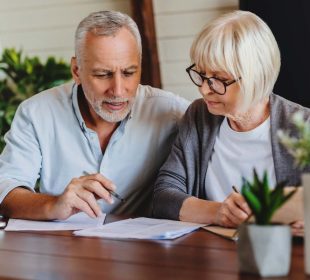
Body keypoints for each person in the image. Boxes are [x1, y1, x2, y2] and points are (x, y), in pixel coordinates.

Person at [0, 11, 189, 220]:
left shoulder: (171, 112)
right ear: (76, 71)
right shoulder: (36, 113)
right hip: (63, 247)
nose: (118, 90)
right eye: (103, 74)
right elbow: (5, 189)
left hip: (144, 249)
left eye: (128, 73)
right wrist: (53, 205)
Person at [153, 10, 310, 229]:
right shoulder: (199, 116)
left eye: (219, 79)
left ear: (256, 76)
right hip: (210, 253)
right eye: (201, 74)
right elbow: (163, 197)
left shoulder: (303, 126)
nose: (204, 89)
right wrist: (218, 212)